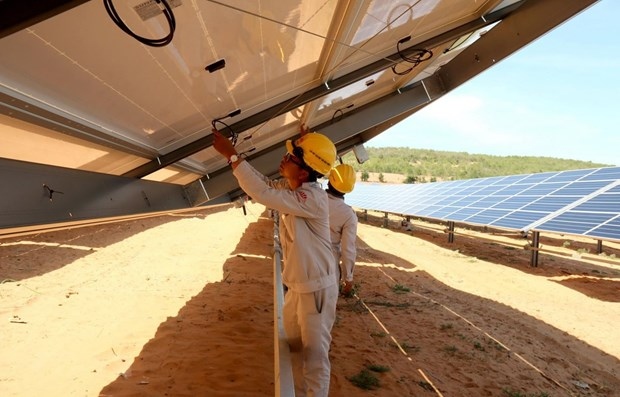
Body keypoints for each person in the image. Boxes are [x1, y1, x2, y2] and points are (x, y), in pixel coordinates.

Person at [211, 128, 339, 397]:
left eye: (291, 157)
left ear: (304, 172)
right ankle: (293, 389)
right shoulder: (294, 189)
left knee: (315, 358)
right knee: (293, 344)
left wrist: (233, 157)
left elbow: (262, 194)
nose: (284, 158)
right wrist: (236, 158)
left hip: (315, 289)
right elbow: (265, 186)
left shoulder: (311, 199)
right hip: (299, 286)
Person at [326, 164, 358, 296]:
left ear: (329, 180)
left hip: (301, 261)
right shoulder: (348, 215)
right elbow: (348, 249)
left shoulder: (312, 198)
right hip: (328, 269)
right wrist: (348, 277)